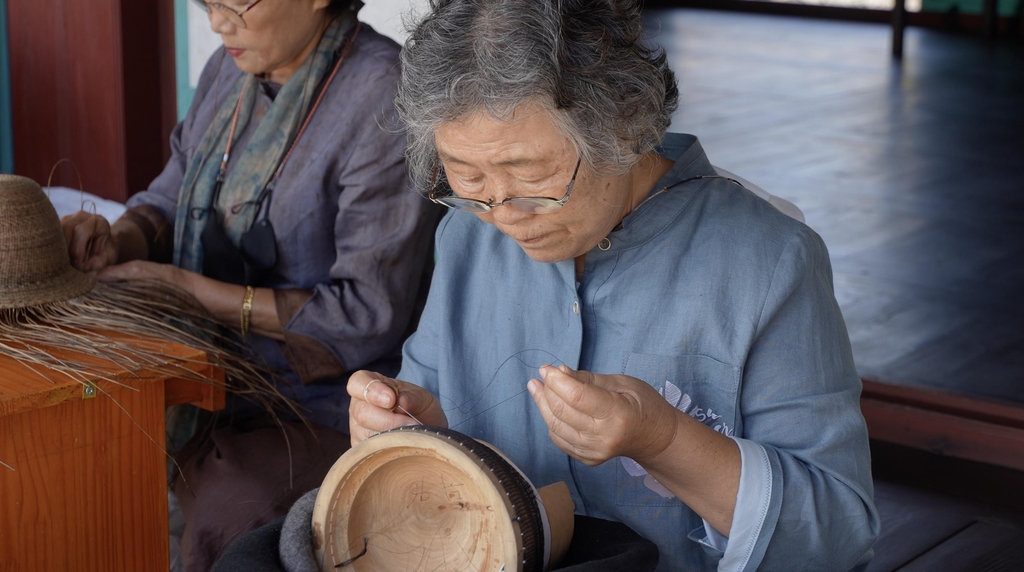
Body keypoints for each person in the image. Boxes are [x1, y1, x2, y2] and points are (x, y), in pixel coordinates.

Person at [347, 1, 880, 570]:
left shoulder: (769, 261)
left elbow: (836, 535)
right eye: (468, 177)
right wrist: (418, 434)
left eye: (532, 177)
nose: (502, 213)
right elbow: (431, 442)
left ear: (624, 126)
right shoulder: (464, 236)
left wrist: (664, 440)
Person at [61, 0, 438, 570]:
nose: (218, 22)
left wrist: (190, 290)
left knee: (229, 515)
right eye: (206, 3)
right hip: (211, 375)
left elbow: (364, 315)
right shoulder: (228, 71)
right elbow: (167, 197)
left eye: (236, 3)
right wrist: (118, 241)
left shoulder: (385, 96)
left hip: (326, 406)